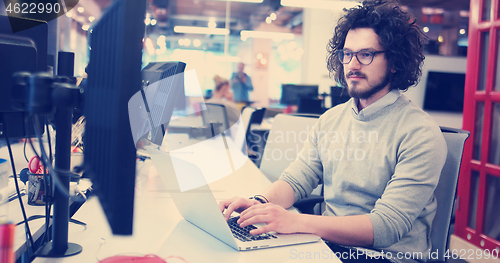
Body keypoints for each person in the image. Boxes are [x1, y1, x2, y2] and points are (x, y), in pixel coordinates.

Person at [219, 1, 447, 262]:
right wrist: (260, 202)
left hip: (384, 256)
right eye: (347, 54)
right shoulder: (331, 120)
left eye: (366, 54)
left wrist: (295, 221)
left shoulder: (419, 133)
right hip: (327, 246)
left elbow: (386, 227)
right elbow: (297, 179)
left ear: (395, 61)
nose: (352, 65)